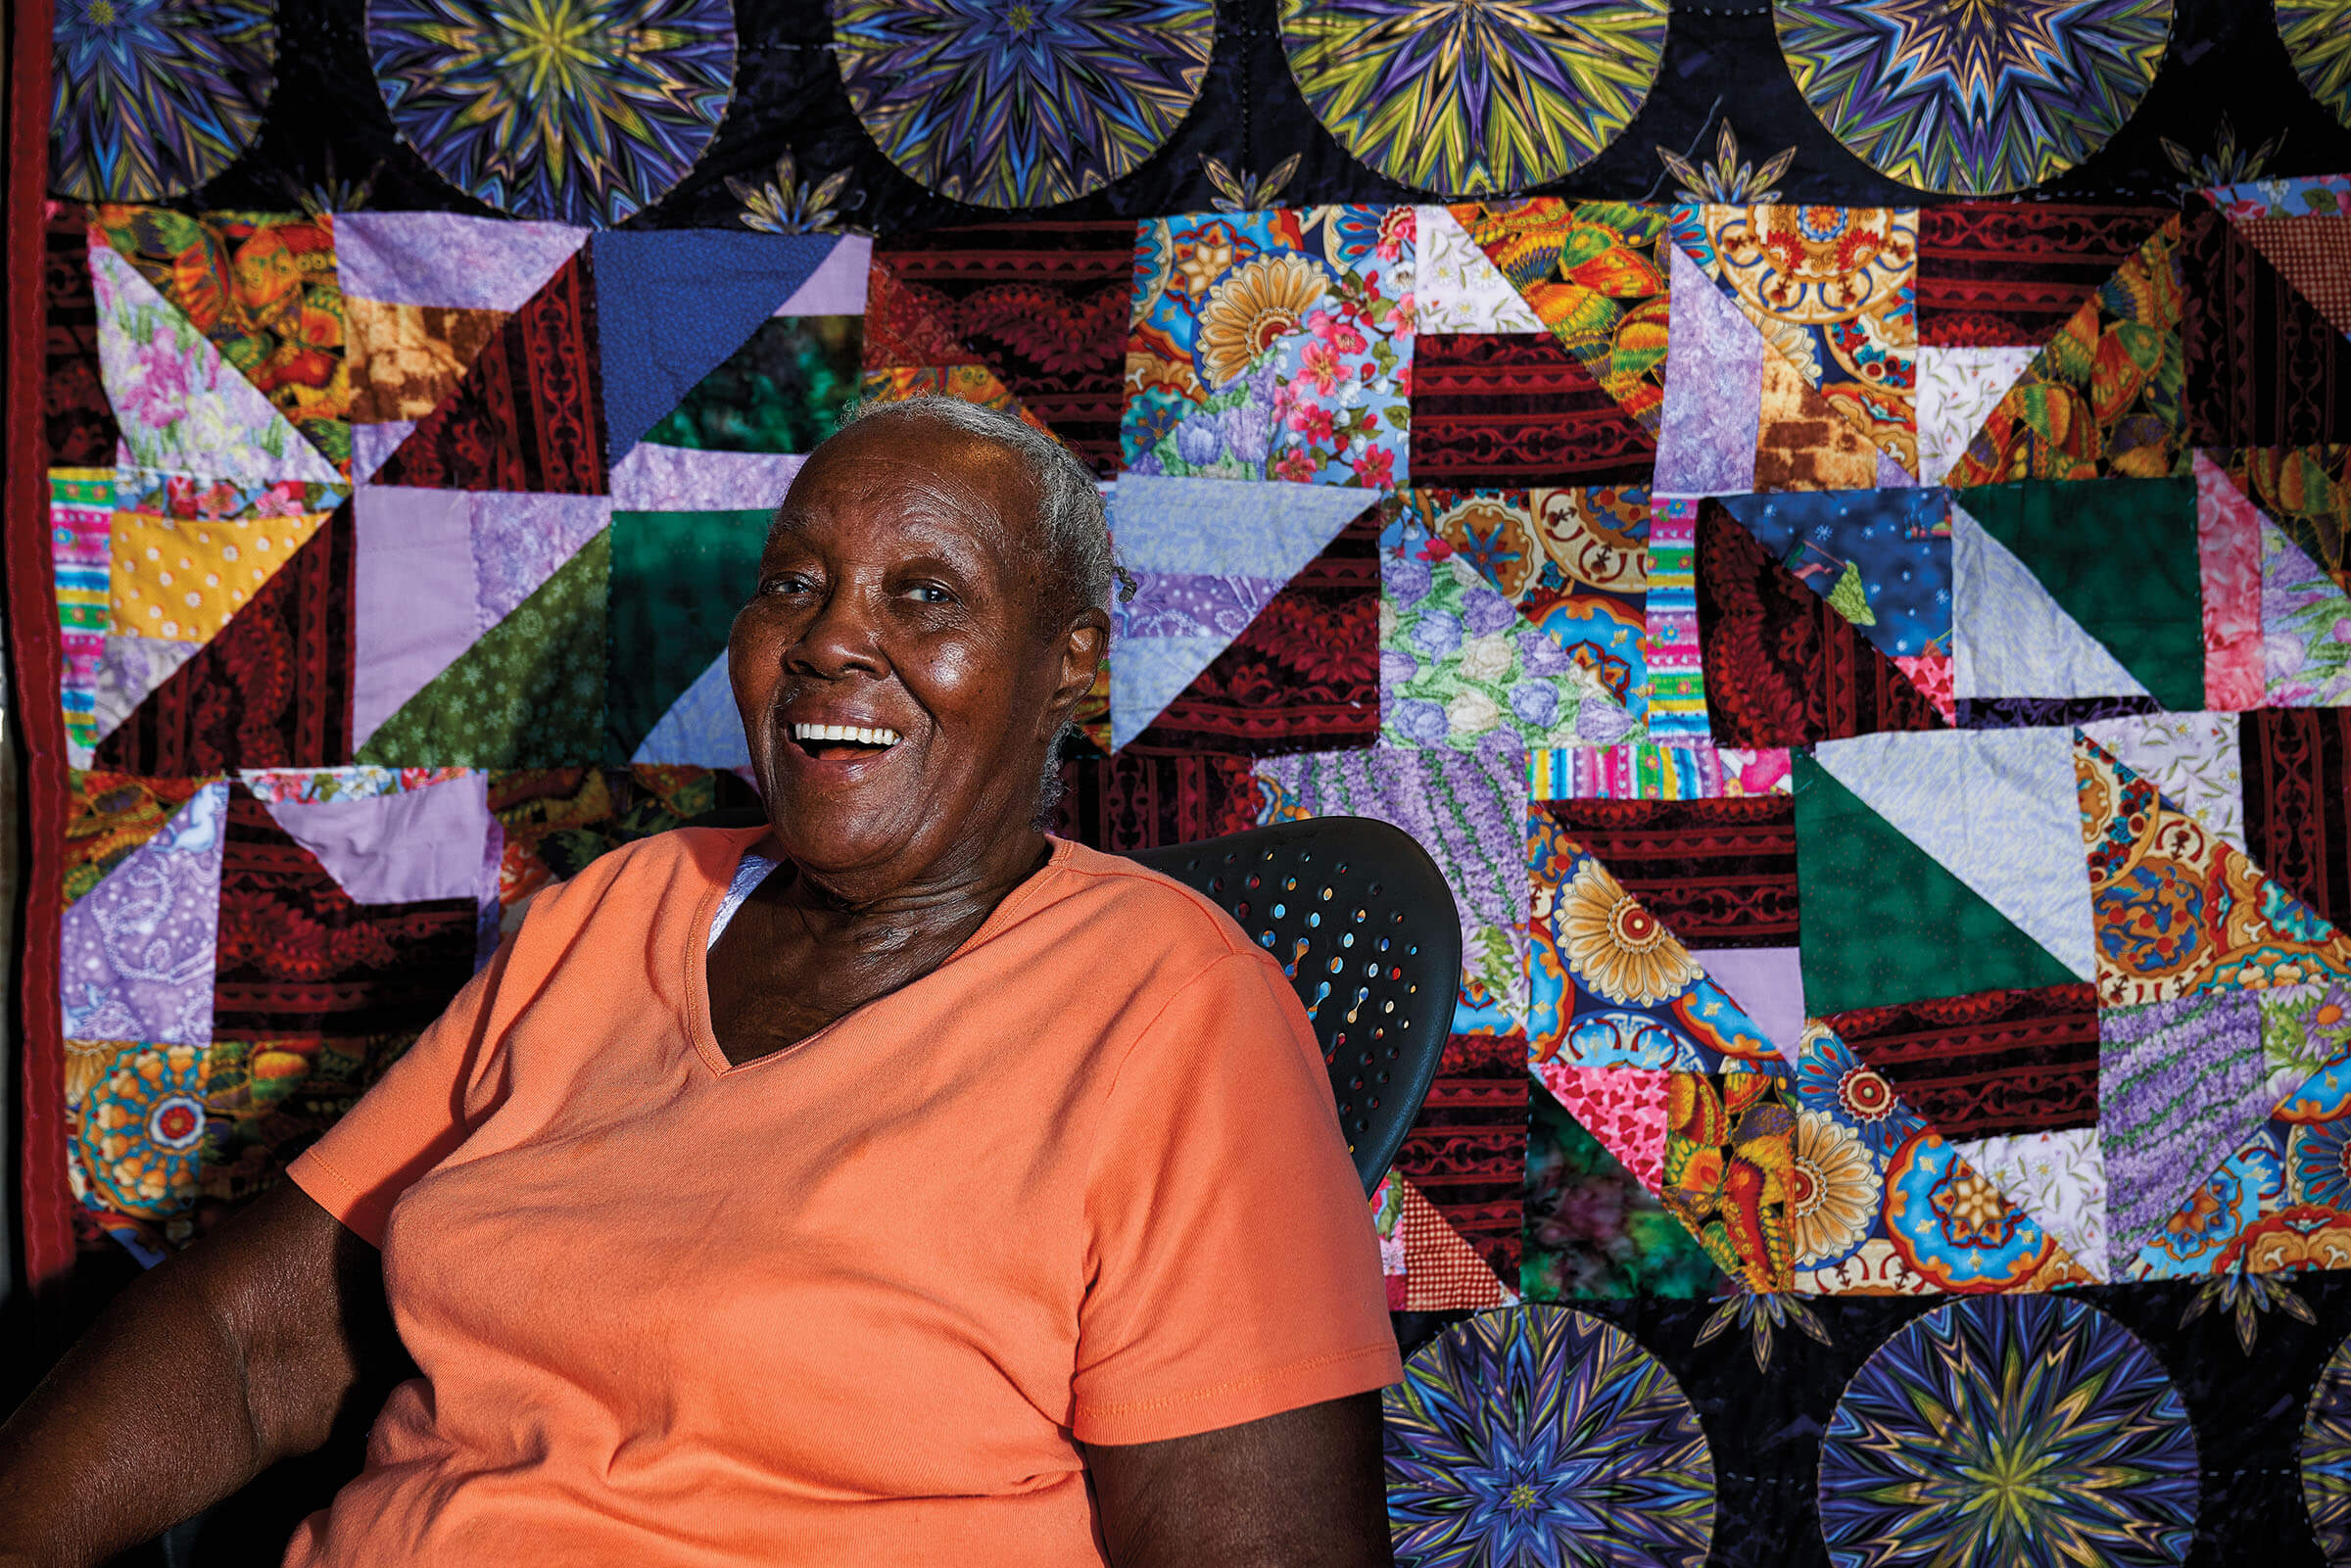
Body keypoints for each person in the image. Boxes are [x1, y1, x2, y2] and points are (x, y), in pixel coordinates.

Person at [0, 398, 1402, 1566]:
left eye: (925, 593)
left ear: (1069, 666)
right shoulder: (611, 915)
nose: (830, 640)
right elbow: (254, 1342)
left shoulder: (1175, 1013)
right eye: (793, 582)